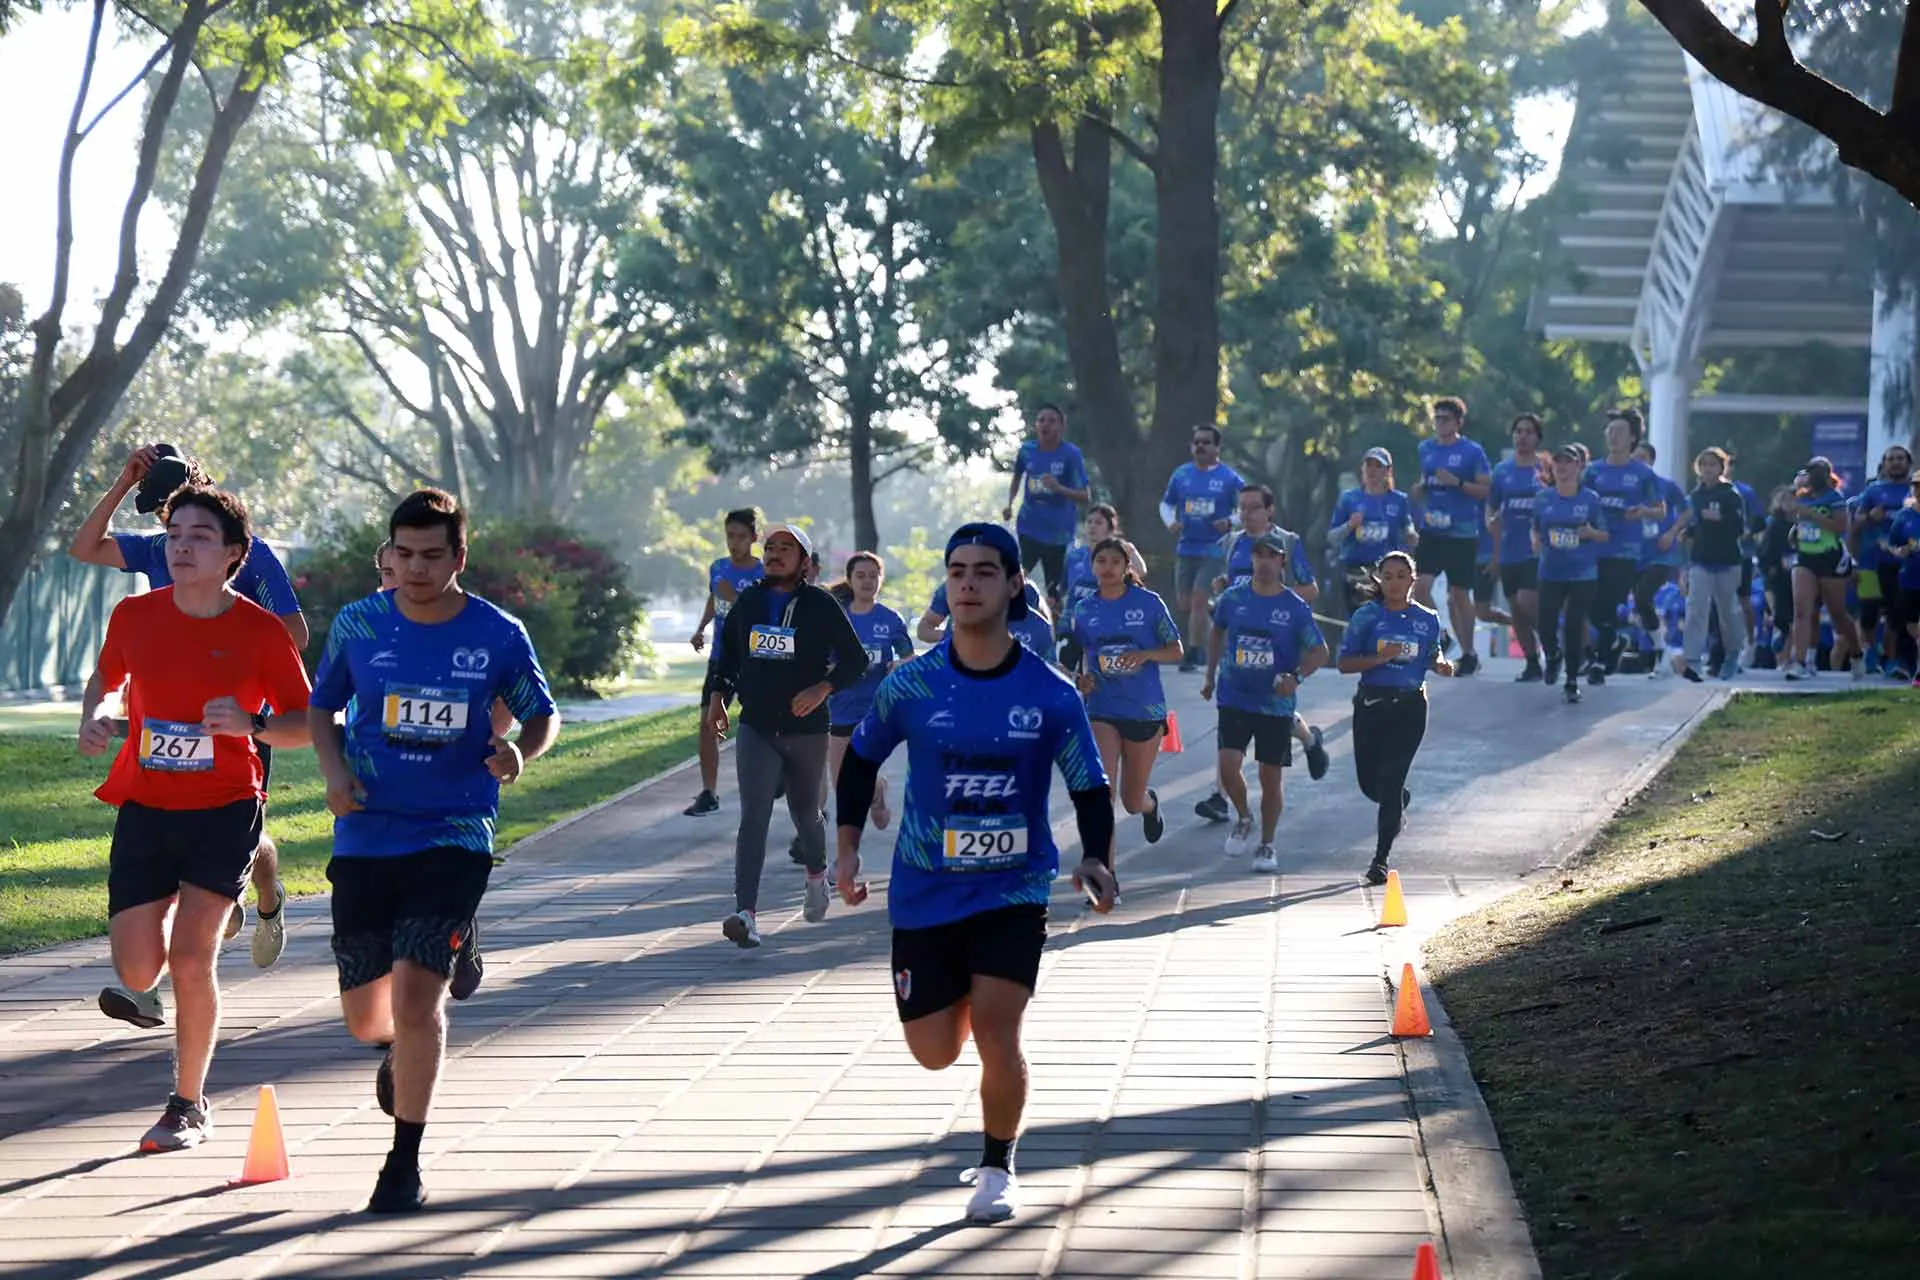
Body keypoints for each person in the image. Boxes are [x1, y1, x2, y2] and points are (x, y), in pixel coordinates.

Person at [832, 522, 1117, 1225]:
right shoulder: (913, 683)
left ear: (1014, 584)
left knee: (999, 1030)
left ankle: (997, 1165)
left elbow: (1088, 783)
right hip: (924, 891)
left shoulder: (1049, 692)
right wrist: (844, 850)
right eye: (957, 570)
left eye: (985, 571)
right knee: (933, 1052)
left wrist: (1096, 857)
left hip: (1013, 887)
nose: (967, 583)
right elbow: (861, 759)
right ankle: (957, 991)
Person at [308, 489, 558, 1213]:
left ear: (459, 557)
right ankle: (401, 1044)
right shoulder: (359, 623)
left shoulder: (498, 632)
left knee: (419, 1000)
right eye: (404, 554)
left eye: (432, 555)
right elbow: (323, 708)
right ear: (390, 553)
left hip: (453, 831)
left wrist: (518, 754)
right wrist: (333, 772)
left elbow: (543, 716)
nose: (416, 569)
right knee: (368, 1019)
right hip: (366, 829)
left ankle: (402, 1165)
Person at [79, 485, 313, 1150]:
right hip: (147, 808)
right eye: (174, 533)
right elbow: (110, 681)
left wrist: (254, 723)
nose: (181, 545)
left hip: (225, 809)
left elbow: (306, 724)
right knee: (134, 973)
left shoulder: (261, 632)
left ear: (234, 554)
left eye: (199, 536)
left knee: (190, 958)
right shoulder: (135, 617)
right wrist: (98, 714)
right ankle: (212, 913)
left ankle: (187, 1105)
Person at [70, 443, 307, 968]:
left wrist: (239, 669)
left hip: (233, 722)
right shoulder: (158, 548)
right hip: (162, 718)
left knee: (248, 830)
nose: (172, 533)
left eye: (172, 510)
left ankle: (265, 895)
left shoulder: (249, 553)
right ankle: (154, 980)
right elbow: (86, 547)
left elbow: (295, 633)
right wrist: (121, 483)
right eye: (162, 517)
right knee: (165, 843)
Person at [708, 523, 869, 947]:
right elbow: (728, 654)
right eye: (771, 547)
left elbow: (854, 660)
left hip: (806, 730)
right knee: (754, 814)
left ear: (805, 563)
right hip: (757, 725)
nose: (775, 554)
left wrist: (822, 689)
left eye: (786, 549)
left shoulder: (820, 605)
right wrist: (718, 698)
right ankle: (746, 912)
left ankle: (817, 876)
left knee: (805, 815)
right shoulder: (751, 600)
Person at [1190, 484, 1330, 824]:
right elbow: (1232, 583)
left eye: (1254, 507)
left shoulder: (1288, 542)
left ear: (1269, 510)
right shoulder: (1234, 543)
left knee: (1274, 708)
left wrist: (1269, 595)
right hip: (1240, 647)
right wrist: (1229, 589)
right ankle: (1220, 796)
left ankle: (1310, 740)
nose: (1246, 514)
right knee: (1234, 720)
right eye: (1242, 507)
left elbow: (1311, 588)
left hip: (1278, 640)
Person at [1336, 551, 1452, 886]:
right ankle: (1397, 800)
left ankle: (1380, 859)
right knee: (1370, 784)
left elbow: (1433, 653)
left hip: (1410, 708)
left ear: (1412, 581)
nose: (1395, 583)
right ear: (1379, 580)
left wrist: (1441, 664)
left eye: (1402, 576)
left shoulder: (1427, 618)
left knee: (1390, 779)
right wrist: (1377, 658)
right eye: (1388, 576)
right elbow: (1345, 663)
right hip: (1371, 705)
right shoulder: (1366, 617)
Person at [1070, 537, 1183, 848]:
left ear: (1126, 566)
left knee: (1131, 801)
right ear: (1092, 566)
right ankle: (1106, 875)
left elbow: (1176, 650)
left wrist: (1146, 655)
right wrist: (1082, 679)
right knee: (1101, 793)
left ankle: (1149, 805)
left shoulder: (1148, 603)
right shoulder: (1083, 608)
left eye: (1115, 562)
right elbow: (1078, 654)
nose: (1107, 568)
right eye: (1101, 561)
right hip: (1102, 707)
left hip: (1143, 709)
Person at [826, 552, 913, 830]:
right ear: (850, 580)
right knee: (841, 782)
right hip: (839, 705)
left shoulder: (890, 619)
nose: (867, 581)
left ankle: (848, 854)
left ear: (881, 579)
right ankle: (877, 792)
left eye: (873, 576)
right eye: (860, 576)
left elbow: (908, 657)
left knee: (860, 769)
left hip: (874, 707)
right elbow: (822, 659)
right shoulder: (836, 618)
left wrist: (898, 664)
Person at [686, 509, 764, 817]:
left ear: (754, 538)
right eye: (730, 536)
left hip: (755, 660)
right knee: (708, 724)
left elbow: (762, 615)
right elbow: (714, 599)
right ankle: (709, 792)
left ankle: (773, 781)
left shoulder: (763, 574)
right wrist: (701, 627)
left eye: (741, 536)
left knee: (761, 726)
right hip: (721, 657)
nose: (734, 542)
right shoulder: (718, 568)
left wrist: (735, 600)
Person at [1581, 412, 1666, 682]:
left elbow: (1660, 510)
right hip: (1593, 547)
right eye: (1610, 430)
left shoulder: (1642, 473)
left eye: (1619, 431)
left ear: (1632, 437)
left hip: (1625, 550)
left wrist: (1642, 511)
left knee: (1607, 604)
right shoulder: (1593, 470)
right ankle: (1612, 643)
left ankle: (1599, 661)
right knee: (1588, 605)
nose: (1613, 435)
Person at [1412, 397, 1491, 675]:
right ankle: (1441, 634)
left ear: (1458, 422)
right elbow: (1424, 484)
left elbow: (1485, 489)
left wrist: (1457, 482)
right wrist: (1420, 490)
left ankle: (1469, 653)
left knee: (1458, 593)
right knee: (1419, 586)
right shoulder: (1426, 449)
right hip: (1432, 528)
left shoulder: (1472, 451)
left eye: (1445, 418)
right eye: (1437, 418)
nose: (1440, 423)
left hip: (1461, 531)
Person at [1161, 424, 1244, 672]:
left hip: (1214, 549)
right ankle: (1215, 609)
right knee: (1185, 603)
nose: (1200, 446)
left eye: (1206, 442)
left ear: (1217, 448)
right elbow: (1166, 504)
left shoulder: (1229, 478)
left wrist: (1231, 521)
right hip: (1186, 546)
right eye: (1197, 442)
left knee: (1197, 599)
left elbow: (1247, 506)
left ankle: (1194, 653)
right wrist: (1171, 522)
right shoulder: (1181, 475)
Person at [1532, 446, 1611, 703]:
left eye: (1569, 463)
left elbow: (1604, 534)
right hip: (1551, 570)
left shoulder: (1590, 499)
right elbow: (1535, 528)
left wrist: (1590, 534)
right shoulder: (1543, 498)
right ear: (1552, 468)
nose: (1563, 468)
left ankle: (1571, 680)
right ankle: (1553, 655)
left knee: (1574, 624)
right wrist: (1535, 541)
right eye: (1558, 463)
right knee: (1545, 623)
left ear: (1579, 467)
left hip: (1582, 572)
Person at [1666, 447, 1749, 683]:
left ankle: (1733, 653)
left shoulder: (1730, 494)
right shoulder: (1696, 495)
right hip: (1701, 559)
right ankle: (1692, 660)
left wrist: (1719, 519)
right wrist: (1688, 532)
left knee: (1727, 611)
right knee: (1695, 608)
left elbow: (1738, 528)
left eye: (1713, 464)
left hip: (1728, 560)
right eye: (1703, 465)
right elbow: (1698, 523)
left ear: (1721, 468)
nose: (1708, 469)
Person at [1001, 403, 1091, 611]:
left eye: (1051, 421)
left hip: (1058, 534)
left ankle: (1054, 635)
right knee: (1013, 579)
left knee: (1054, 593)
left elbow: (1086, 496)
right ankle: (1009, 627)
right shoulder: (1026, 451)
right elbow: (1016, 478)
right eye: (1041, 420)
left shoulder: (1071, 454)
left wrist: (1059, 488)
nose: (1045, 425)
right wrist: (1010, 504)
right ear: (1035, 425)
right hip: (1029, 527)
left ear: (1061, 426)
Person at [1784, 457, 1863, 680]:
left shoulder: (1835, 498)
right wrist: (1794, 487)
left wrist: (1812, 515)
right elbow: (1784, 506)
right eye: (1812, 472)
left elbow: (1840, 527)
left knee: (1838, 614)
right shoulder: (1802, 496)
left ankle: (1857, 654)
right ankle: (1799, 662)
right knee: (1802, 610)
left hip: (1831, 558)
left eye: (1820, 472)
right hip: (1805, 557)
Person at [1488, 414, 1547, 681]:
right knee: (1516, 611)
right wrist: (1492, 528)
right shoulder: (1502, 471)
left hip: (1536, 550)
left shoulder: (1545, 468)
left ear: (1537, 438)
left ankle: (1554, 643)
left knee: (1527, 601)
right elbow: (1492, 507)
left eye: (1528, 432)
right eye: (1518, 431)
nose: (1522, 437)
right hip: (1509, 548)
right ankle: (1532, 662)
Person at [1850, 445, 1916, 679]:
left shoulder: (1914, 491)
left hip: (1904, 565)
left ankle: (1895, 660)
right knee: (1868, 612)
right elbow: (1854, 525)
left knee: (1897, 614)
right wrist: (1869, 517)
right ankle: (1869, 652)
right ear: (1884, 464)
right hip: (1871, 562)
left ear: (1909, 462)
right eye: (1891, 459)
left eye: (1900, 458)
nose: (1896, 463)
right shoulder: (1873, 492)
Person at [1328, 447, 1418, 614]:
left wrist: (1411, 535)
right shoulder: (1349, 499)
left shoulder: (1399, 500)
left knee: (1385, 620)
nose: (1372, 470)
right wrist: (1349, 525)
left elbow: (1408, 526)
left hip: (1386, 574)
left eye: (1378, 466)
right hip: (1355, 573)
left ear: (1388, 471)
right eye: (1369, 465)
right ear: (1362, 468)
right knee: (1359, 623)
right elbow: (1332, 538)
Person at [1059, 505, 1146, 672]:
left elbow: (1141, 571)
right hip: (1073, 628)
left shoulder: (1117, 557)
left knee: (1096, 680)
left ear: (1110, 528)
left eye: (1098, 522)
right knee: (1064, 676)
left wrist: (1130, 550)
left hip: (1105, 631)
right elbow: (1061, 590)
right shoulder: (1074, 556)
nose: (1092, 526)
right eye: (1089, 521)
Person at [1634, 441, 1688, 678]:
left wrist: (1672, 532)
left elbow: (1686, 510)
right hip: (1634, 553)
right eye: (1634, 458)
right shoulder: (1626, 488)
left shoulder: (1665, 486)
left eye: (1643, 458)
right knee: (1639, 604)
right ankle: (1660, 648)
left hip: (1661, 554)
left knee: (1643, 595)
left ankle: (1660, 652)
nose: (1639, 462)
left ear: (1652, 461)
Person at [917, 577, 1046, 645]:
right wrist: (947, 636)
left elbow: (1040, 636)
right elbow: (923, 630)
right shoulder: (951, 588)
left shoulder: (1026, 591)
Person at [1885, 476, 1920, 688]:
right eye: (1916, 486)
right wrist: (1901, 551)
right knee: (1911, 628)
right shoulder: (1904, 516)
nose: (1919, 489)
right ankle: (1906, 665)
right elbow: (1893, 545)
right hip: (1909, 579)